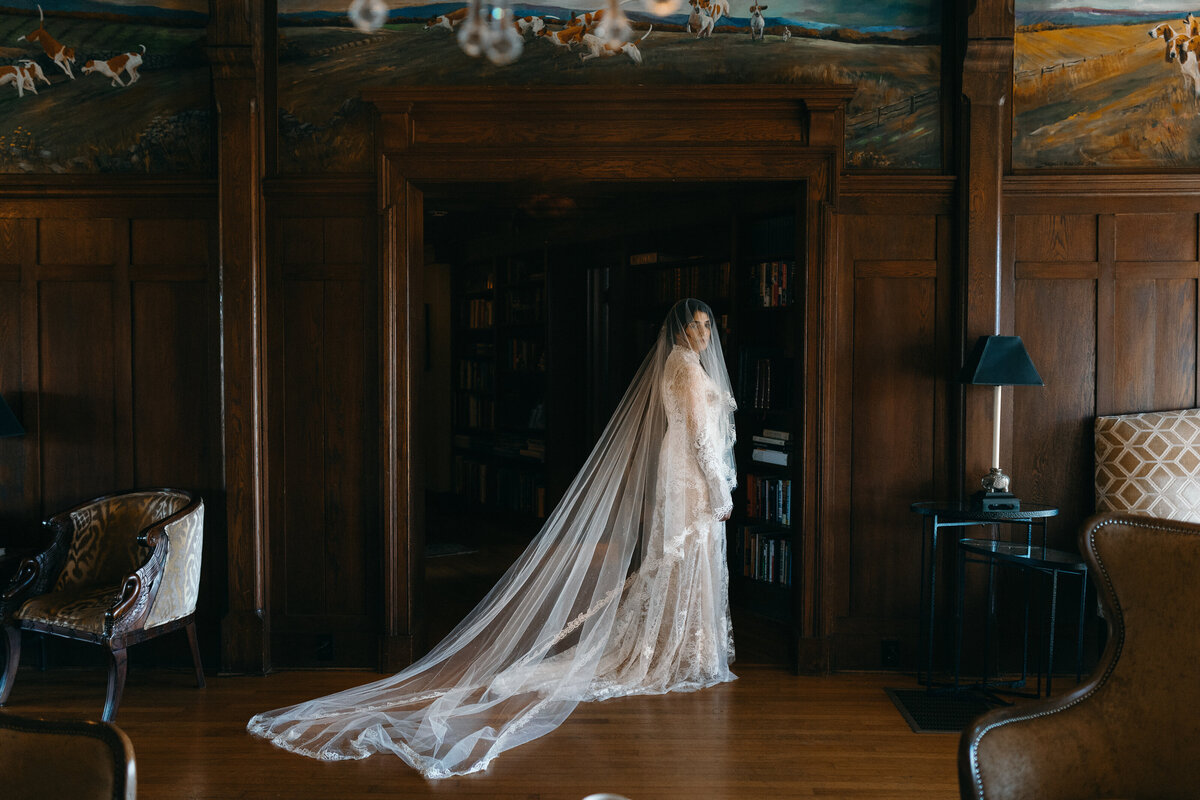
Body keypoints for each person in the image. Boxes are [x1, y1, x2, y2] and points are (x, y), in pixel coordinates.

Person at [248, 298, 738, 778]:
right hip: (690, 475)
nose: (703, 334)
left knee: (681, 556)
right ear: (678, 330)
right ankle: (682, 649)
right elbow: (698, 435)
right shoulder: (688, 369)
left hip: (681, 473)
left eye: (707, 326)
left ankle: (683, 645)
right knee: (686, 554)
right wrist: (720, 488)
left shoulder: (678, 364)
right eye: (695, 326)